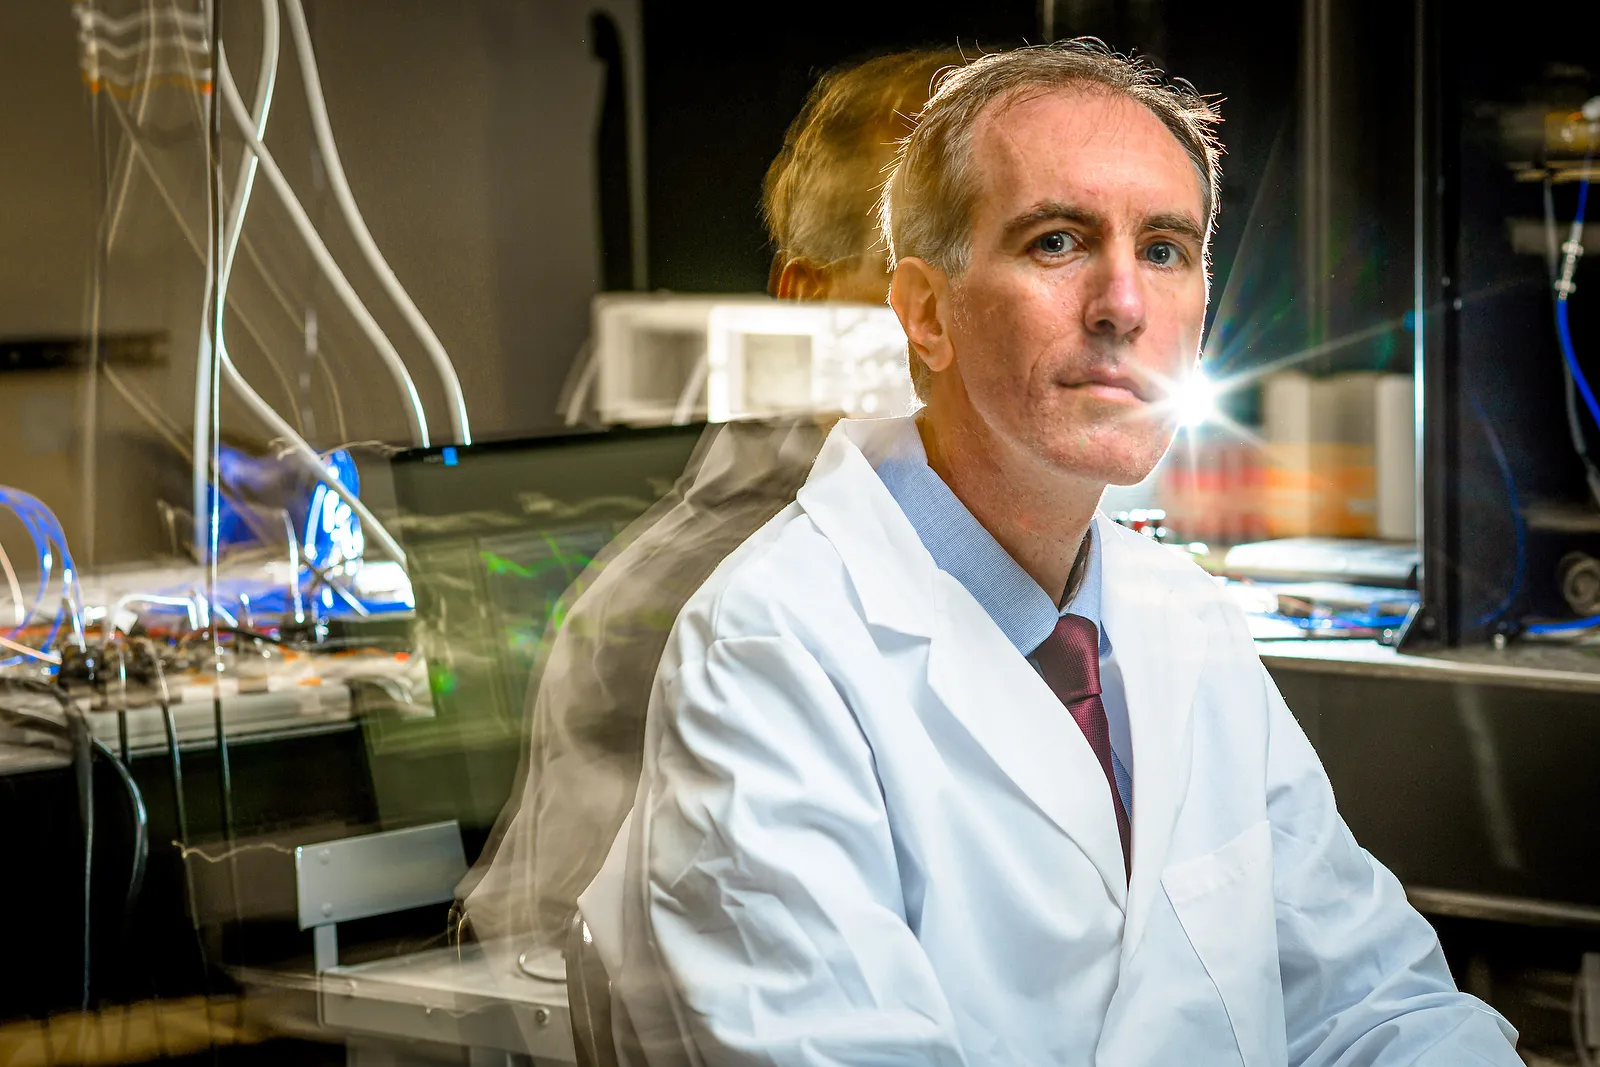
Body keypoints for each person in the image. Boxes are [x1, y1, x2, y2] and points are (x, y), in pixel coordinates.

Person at [604, 40, 1521, 1065]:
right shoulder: (771, 648)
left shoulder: (1185, 619)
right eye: (1056, 241)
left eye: (1164, 249)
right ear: (925, 313)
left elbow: (1374, 1004)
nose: (1124, 304)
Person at [460, 48, 961, 963]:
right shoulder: (707, 600)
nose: (983, 322)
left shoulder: (972, 538)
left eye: (1035, 251)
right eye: (924, 278)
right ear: (807, 303)